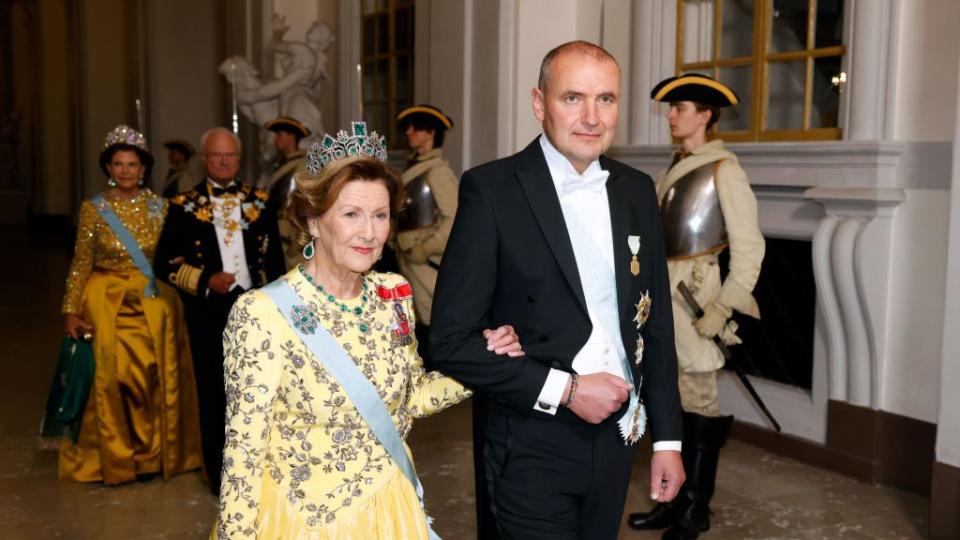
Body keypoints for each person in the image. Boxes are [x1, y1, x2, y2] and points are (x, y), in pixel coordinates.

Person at [214, 121, 523, 539]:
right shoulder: (262, 314)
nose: (369, 232)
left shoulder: (393, 293)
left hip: (390, 508)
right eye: (351, 214)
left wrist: (482, 359)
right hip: (303, 521)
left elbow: (410, 398)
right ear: (312, 220)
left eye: (380, 215)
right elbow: (243, 454)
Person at [430, 41, 685, 539]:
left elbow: (655, 326)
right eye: (573, 98)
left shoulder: (636, 189)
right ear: (539, 103)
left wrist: (667, 440)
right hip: (530, 437)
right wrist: (566, 391)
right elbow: (449, 342)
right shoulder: (492, 189)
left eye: (606, 99)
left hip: (618, 434)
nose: (591, 117)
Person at [627, 74, 765, 539]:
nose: (671, 116)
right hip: (664, 293)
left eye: (680, 108)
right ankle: (670, 502)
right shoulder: (679, 165)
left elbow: (749, 249)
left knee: (700, 403)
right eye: (671, 109)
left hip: (696, 299)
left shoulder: (725, 169)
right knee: (669, 399)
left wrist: (723, 309)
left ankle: (696, 510)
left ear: (705, 115)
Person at [60, 125, 202, 485]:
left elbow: (174, 257)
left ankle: (153, 456)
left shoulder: (162, 208)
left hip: (152, 301)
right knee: (115, 380)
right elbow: (80, 262)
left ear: (144, 168)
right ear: (108, 168)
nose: (125, 170)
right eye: (118, 164)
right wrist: (71, 310)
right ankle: (120, 457)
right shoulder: (93, 209)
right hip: (105, 303)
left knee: (154, 379)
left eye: (132, 164)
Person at [154, 127, 286, 495]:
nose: (225, 161)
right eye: (217, 155)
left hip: (256, 309)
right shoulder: (183, 205)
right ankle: (220, 474)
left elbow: (274, 259)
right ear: (204, 159)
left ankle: (260, 467)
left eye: (231, 156)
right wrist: (204, 280)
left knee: (258, 390)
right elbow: (163, 262)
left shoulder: (260, 201)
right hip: (208, 313)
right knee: (214, 392)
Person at [393, 104, 458, 365]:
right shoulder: (415, 167)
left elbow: (453, 219)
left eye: (415, 127)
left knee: (430, 318)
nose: (409, 132)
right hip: (406, 255)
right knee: (414, 319)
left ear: (430, 133)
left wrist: (427, 247)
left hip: (424, 259)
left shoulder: (437, 171)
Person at [264, 116, 310, 268]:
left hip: (291, 229)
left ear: (291, 136)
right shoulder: (282, 164)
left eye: (280, 134)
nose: (276, 139)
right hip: (275, 226)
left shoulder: (303, 165)